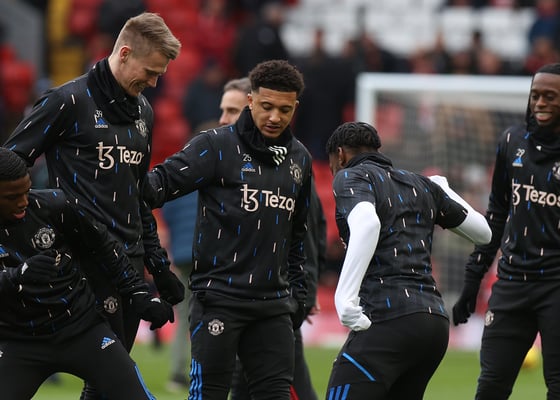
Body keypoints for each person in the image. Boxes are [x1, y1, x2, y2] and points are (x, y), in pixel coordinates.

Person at [3, 12, 185, 399]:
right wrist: (23, 246)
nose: (154, 83)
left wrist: (158, 266)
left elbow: (138, 196)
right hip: (77, 264)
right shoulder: (66, 101)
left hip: (128, 266)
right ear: (124, 53)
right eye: (150, 72)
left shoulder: (144, 112)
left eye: (160, 75)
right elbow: (8, 170)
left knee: (106, 389)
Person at [143, 59, 311, 400]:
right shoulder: (215, 145)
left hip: (274, 307)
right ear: (250, 100)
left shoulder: (300, 159)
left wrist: (299, 296)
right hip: (220, 301)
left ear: (296, 107)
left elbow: (297, 235)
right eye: (266, 106)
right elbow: (153, 188)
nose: (275, 117)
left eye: (285, 109)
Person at [324, 121, 492, 399]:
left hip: (387, 316)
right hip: (433, 324)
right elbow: (484, 233)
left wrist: (344, 297)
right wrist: (446, 191)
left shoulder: (350, 176)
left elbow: (367, 224)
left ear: (340, 155)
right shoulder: (423, 185)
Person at [0, 147, 174, 399]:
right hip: (18, 340)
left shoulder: (54, 204)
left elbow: (104, 246)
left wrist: (139, 293)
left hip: (81, 329)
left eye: (26, 191)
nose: (23, 201)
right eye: (12, 196)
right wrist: (19, 276)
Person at [452, 62, 560, 399]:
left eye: (550, 96)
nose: (540, 102)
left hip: (557, 285)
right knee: (490, 387)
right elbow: (497, 214)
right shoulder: (512, 141)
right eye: (535, 95)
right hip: (512, 283)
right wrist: (472, 280)